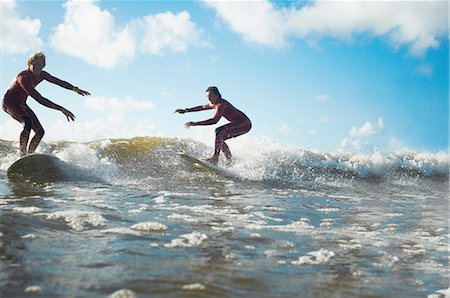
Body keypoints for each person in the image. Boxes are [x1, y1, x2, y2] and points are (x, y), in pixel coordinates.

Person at [2, 51, 90, 156]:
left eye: (41, 65)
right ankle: (22, 154)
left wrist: (75, 89)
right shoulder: (23, 77)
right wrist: (61, 109)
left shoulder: (42, 74)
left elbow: (58, 81)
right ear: (29, 64)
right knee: (28, 122)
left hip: (22, 104)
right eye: (35, 65)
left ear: (44, 65)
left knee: (40, 132)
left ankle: (29, 155)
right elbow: (39, 98)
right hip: (9, 102)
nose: (38, 68)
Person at [175, 86, 251, 165]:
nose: (208, 99)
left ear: (216, 95)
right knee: (220, 139)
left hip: (244, 124)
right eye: (207, 97)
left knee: (219, 131)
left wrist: (196, 123)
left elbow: (214, 120)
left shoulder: (221, 104)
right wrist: (186, 110)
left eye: (210, 96)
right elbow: (202, 107)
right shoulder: (215, 104)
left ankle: (215, 158)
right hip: (240, 124)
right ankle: (230, 160)